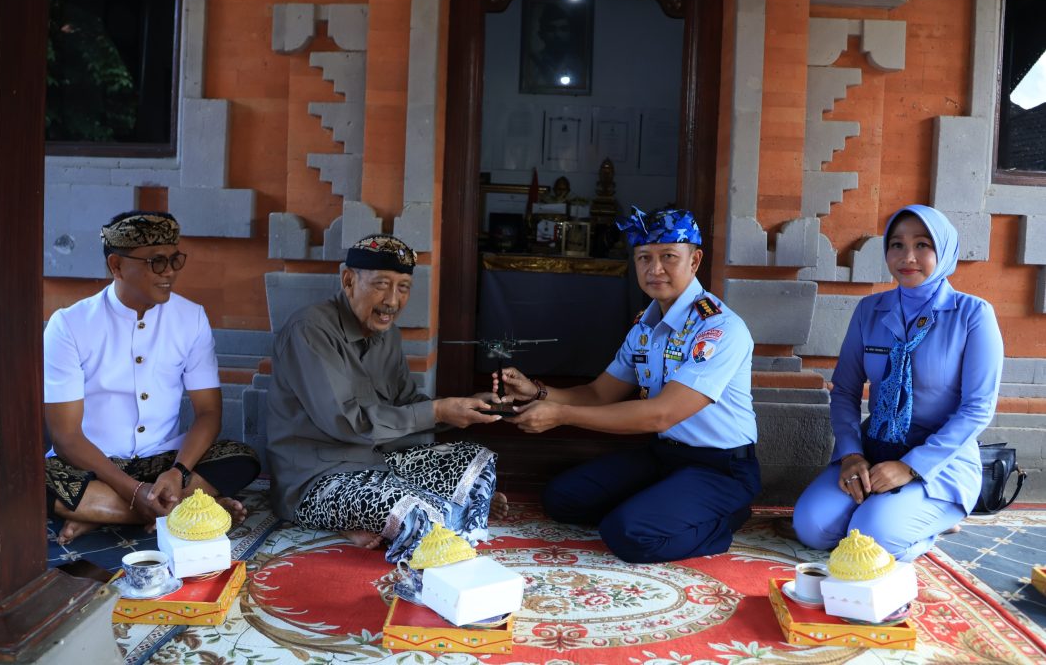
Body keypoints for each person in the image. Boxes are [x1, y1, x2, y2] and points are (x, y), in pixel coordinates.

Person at [495, 207, 760, 564]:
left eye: (668, 257)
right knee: (562, 498)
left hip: (721, 468)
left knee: (629, 534)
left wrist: (560, 415)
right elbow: (599, 393)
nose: (655, 269)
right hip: (665, 456)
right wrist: (538, 392)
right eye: (644, 258)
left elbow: (660, 415)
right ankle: (664, 503)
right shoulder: (645, 326)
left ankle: (725, 515)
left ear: (695, 261)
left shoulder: (719, 329)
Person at [266, 233, 507, 563]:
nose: (392, 300)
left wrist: (463, 408)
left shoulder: (386, 333)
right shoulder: (310, 331)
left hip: (380, 463)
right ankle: (444, 511)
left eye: (403, 287)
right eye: (381, 284)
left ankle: (440, 511)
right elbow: (348, 423)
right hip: (317, 478)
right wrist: (437, 411)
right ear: (349, 281)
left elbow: (407, 403)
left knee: (476, 459)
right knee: (409, 511)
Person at [793, 205, 1004, 560]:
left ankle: (936, 519)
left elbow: (978, 407)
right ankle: (900, 512)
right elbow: (844, 391)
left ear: (944, 250)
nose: (908, 257)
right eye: (896, 245)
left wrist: (911, 467)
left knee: (873, 538)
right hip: (874, 450)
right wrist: (851, 454)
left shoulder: (972, 315)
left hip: (940, 462)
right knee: (812, 527)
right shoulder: (869, 310)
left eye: (923, 245)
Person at [44, 211, 261, 545]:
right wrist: (132, 491)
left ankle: (97, 512)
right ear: (116, 265)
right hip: (92, 465)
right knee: (27, 479)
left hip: (163, 463)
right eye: (156, 262)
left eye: (175, 259)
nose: (170, 272)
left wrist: (178, 472)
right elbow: (65, 436)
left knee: (241, 458)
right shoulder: (69, 325)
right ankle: (179, 510)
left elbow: (208, 414)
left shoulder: (191, 317)